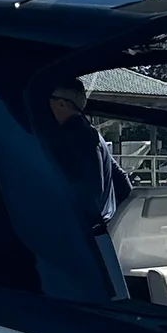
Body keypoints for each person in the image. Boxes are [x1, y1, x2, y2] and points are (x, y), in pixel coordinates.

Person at [42, 77, 132, 236]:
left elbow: (91, 191)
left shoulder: (73, 136)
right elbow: (121, 179)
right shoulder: (94, 135)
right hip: (103, 229)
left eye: (51, 99)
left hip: (83, 231)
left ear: (62, 103)